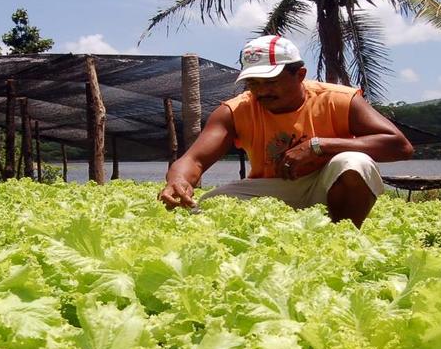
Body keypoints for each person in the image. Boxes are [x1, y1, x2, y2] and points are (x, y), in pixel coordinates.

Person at [158, 35, 414, 228]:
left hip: (325, 186)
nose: (261, 91)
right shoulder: (235, 110)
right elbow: (194, 159)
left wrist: (320, 145)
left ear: (299, 74)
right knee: (203, 210)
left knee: (354, 162)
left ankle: (343, 236)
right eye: (253, 83)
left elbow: (399, 145)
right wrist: (178, 181)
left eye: (270, 82)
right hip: (271, 189)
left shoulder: (338, 99)